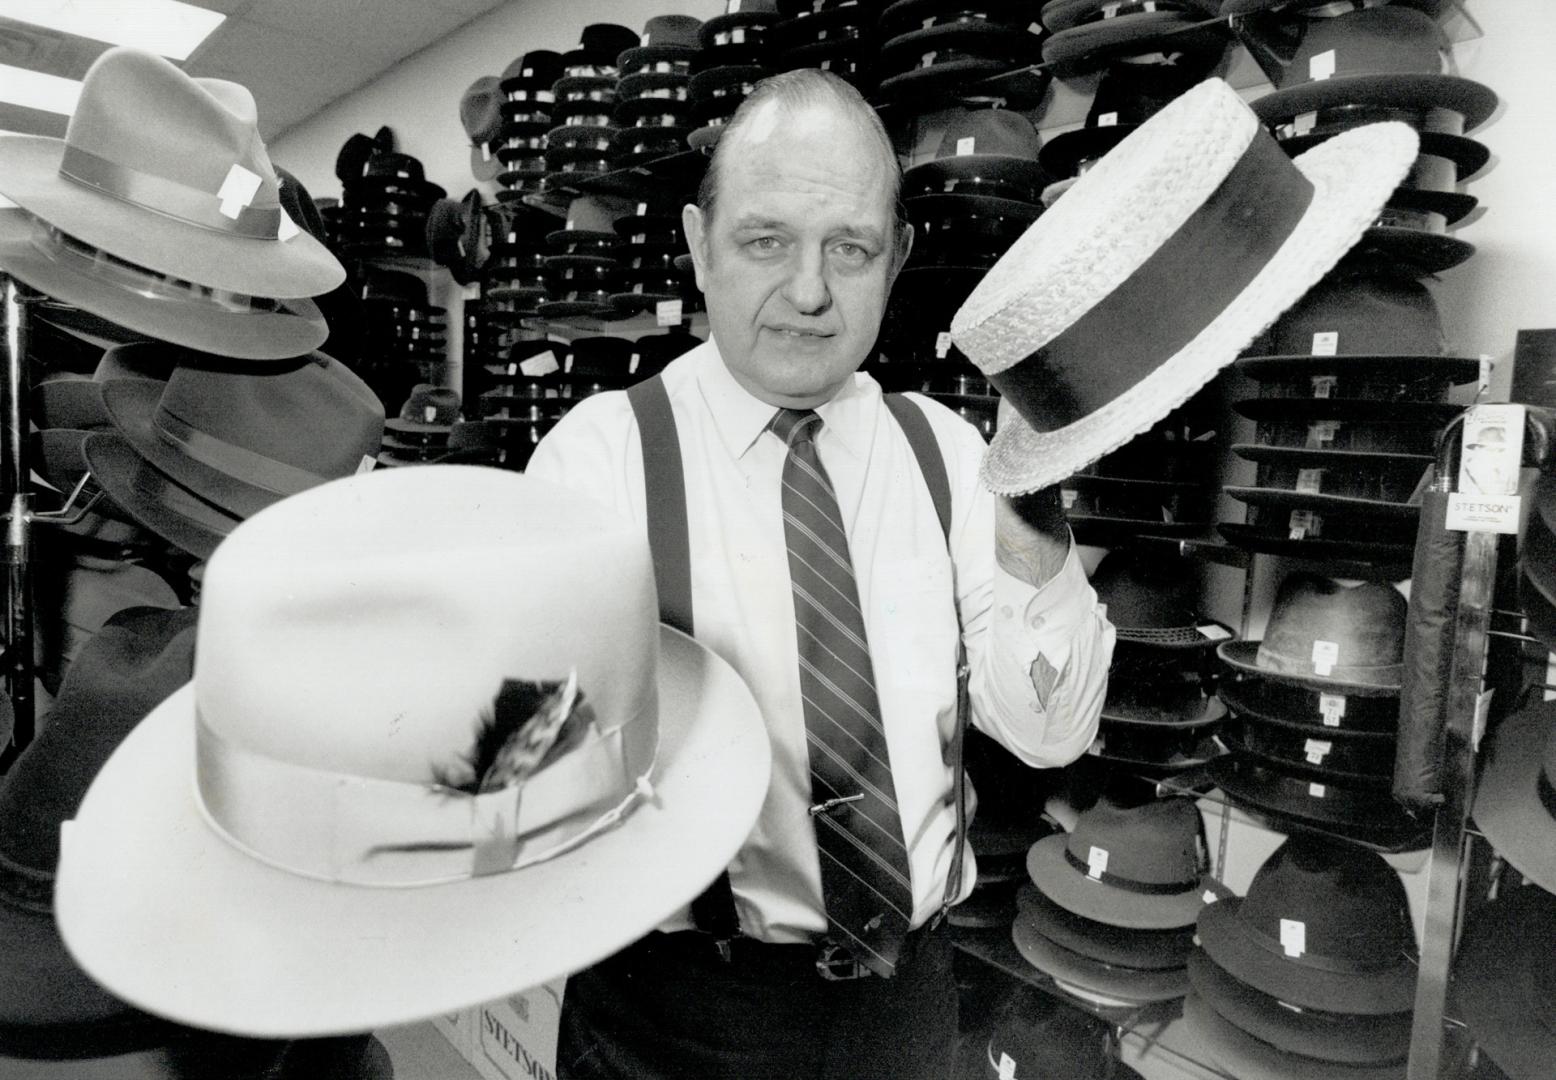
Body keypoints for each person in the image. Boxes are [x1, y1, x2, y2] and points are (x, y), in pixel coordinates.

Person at [527, 69, 1114, 1080]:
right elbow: (527, 791)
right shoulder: (597, 461)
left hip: (909, 1009)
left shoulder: (943, 452)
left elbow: (1051, 734)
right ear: (696, 245)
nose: (808, 291)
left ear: (897, 261)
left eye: (849, 249)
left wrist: (1030, 522)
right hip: (676, 1020)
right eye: (765, 241)